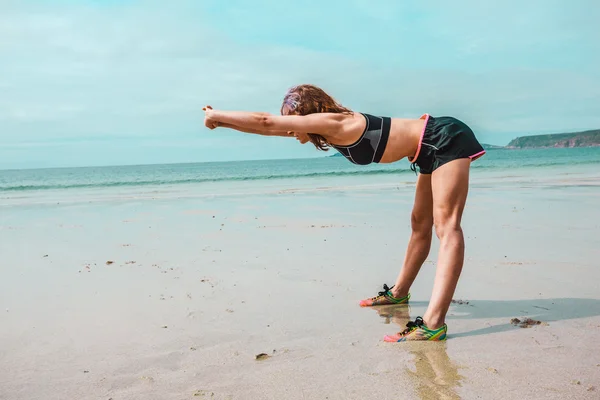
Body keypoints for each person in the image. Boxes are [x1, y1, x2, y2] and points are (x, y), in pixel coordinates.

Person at [202, 84, 486, 342]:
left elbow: (265, 122)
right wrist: (222, 123)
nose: (289, 129)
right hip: (425, 148)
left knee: (446, 227)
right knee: (419, 224)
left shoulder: (335, 122)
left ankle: (434, 324)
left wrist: (217, 114)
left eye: (293, 119)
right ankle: (398, 294)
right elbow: (268, 128)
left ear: (309, 113)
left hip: (446, 138)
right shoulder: (328, 128)